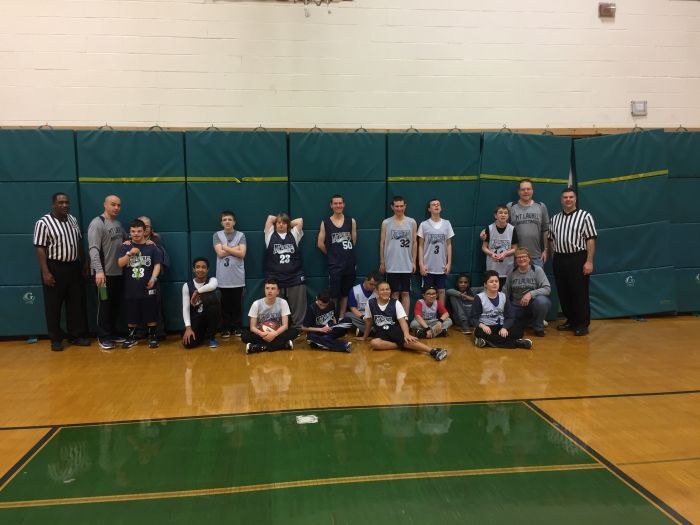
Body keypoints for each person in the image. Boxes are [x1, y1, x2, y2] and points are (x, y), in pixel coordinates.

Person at [33, 192, 90, 351]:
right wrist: (45, 271)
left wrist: (84, 262)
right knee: (53, 305)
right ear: (54, 205)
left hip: (74, 266)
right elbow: (40, 248)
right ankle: (56, 339)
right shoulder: (43, 222)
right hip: (54, 267)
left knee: (75, 303)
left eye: (66, 202)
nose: (65, 205)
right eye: (61, 203)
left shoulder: (72, 219)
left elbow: (78, 242)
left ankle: (76, 335)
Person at [548, 188, 597, 336]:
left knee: (579, 292)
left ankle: (582, 324)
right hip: (559, 258)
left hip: (578, 258)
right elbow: (551, 240)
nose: (568, 199)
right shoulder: (554, 219)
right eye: (565, 197)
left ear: (575, 199)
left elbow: (590, 240)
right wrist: (554, 258)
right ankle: (571, 320)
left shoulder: (585, 216)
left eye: (571, 197)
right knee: (564, 292)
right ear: (561, 200)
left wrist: (589, 261)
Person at [359, 281, 448, 362]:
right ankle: (401, 345)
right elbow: (369, 322)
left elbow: (402, 321)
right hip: (381, 332)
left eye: (387, 289)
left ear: (390, 291)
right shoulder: (370, 303)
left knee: (407, 339)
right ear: (377, 291)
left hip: (395, 330)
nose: (385, 291)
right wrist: (364, 337)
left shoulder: (396, 303)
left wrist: (406, 334)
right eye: (382, 290)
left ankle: (433, 351)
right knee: (374, 343)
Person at [88, 194, 126, 350]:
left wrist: (149, 237)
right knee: (104, 306)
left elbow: (127, 240)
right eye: (113, 204)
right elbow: (93, 249)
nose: (116, 207)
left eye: (118, 205)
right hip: (103, 276)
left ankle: (112, 333)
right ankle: (103, 336)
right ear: (105, 205)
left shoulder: (118, 223)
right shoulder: (97, 223)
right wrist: (99, 271)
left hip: (117, 273)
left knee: (114, 306)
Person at [117, 219, 162, 349]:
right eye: (133, 231)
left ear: (144, 232)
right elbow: (120, 263)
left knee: (151, 312)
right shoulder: (125, 246)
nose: (136, 234)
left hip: (148, 286)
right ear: (129, 232)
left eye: (139, 231)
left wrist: (153, 278)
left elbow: (157, 265)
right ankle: (132, 337)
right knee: (132, 313)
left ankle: (152, 337)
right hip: (131, 287)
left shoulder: (151, 246)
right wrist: (130, 253)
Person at [469, 270, 533, 350]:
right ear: (485, 284)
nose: (494, 283)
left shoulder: (503, 296)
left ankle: (487, 342)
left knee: (519, 329)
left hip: (500, 326)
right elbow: (473, 318)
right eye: (491, 282)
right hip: (487, 327)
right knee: (479, 332)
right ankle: (517, 343)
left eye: (496, 281)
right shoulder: (479, 298)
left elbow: (510, 316)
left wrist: (505, 327)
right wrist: (482, 325)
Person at [264, 213, 306, 330]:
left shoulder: (294, 234)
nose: (281, 225)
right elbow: (270, 218)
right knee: (275, 306)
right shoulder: (269, 234)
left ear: (287, 225)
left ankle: (298, 328)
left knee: (298, 306)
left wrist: (287, 223)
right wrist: (280, 220)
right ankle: (275, 327)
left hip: (295, 276)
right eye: (279, 223)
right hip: (275, 277)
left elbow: (300, 220)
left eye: (284, 223)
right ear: (275, 224)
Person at [317, 194, 357, 317]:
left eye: (340, 203)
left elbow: (353, 241)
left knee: (345, 293)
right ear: (331, 205)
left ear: (343, 204)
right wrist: (332, 254)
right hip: (335, 265)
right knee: (334, 294)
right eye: (335, 203)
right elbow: (320, 244)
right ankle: (333, 317)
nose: (338, 205)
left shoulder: (351, 221)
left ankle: (341, 317)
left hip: (349, 263)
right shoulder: (325, 222)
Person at [379, 196, 417, 314]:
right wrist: (382, 262)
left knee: (405, 293)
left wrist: (413, 262)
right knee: (394, 293)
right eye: (397, 206)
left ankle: (405, 318)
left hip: (406, 264)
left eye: (401, 206)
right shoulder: (386, 222)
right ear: (392, 207)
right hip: (391, 264)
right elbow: (382, 243)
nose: (399, 208)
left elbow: (415, 243)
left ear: (405, 206)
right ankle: (395, 318)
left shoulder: (412, 222)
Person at [504, 248, 552, 337]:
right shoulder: (512, 272)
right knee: (511, 324)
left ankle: (538, 327)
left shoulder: (537, 270)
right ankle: (529, 322)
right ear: (516, 260)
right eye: (518, 257)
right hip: (517, 306)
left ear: (529, 258)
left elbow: (547, 289)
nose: (521, 259)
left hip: (533, 305)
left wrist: (530, 294)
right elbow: (505, 291)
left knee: (542, 301)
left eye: (524, 256)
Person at [242, 278, 298, 354]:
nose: (269, 291)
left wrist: (274, 334)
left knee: (294, 332)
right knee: (244, 336)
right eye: (267, 288)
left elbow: (285, 326)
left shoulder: (283, 302)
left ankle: (260, 347)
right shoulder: (256, 304)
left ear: (278, 291)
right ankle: (283, 345)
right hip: (261, 334)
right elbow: (252, 327)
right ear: (264, 290)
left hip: (277, 333)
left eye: (273, 288)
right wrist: (261, 334)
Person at [214, 210, 246, 338]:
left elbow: (242, 254)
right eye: (224, 220)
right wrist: (235, 249)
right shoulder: (217, 235)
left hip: (237, 277)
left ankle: (237, 327)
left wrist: (226, 247)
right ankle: (225, 328)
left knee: (237, 304)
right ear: (221, 223)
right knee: (225, 305)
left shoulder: (241, 235)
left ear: (234, 222)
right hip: (223, 277)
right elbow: (220, 253)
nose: (227, 221)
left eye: (229, 219)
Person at [417, 198, 454, 305]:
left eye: (438, 204)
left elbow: (449, 245)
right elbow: (420, 245)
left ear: (441, 207)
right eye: (433, 204)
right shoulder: (424, 225)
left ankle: (441, 313)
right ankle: (426, 313)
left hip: (441, 266)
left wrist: (449, 263)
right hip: (428, 266)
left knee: (441, 291)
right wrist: (421, 264)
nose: (436, 206)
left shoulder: (447, 223)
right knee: (427, 292)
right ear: (429, 209)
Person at [139, 215, 169, 340]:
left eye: (147, 226)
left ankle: (159, 331)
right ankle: (141, 331)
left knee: (155, 305)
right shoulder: (130, 242)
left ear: (151, 228)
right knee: (139, 305)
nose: (145, 228)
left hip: (152, 279)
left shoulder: (156, 242)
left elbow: (162, 262)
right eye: (142, 225)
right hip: (136, 279)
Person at [182, 257, 221, 350]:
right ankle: (201, 335)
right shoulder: (187, 286)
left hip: (209, 318)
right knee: (189, 344)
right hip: (196, 320)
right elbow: (186, 308)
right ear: (193, 269)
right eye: (198, 267)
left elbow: (212, 286)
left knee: (212, 298)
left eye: (203, 267)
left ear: (207, 269)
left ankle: (211, 337)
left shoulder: (212, 280)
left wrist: (197, 292)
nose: (200, 269)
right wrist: (188, 328)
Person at [482, 204, 518, 289]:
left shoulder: (512, 229)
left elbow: (515, 249)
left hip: (507, 267)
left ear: (508, 216)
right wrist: (491, 254)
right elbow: (484, 247)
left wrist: (505, 253)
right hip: (492, 267)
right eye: (500, 212)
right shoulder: (489, 228)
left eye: (505, 213)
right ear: (495, 215)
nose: (503, 215)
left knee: (505, 292)